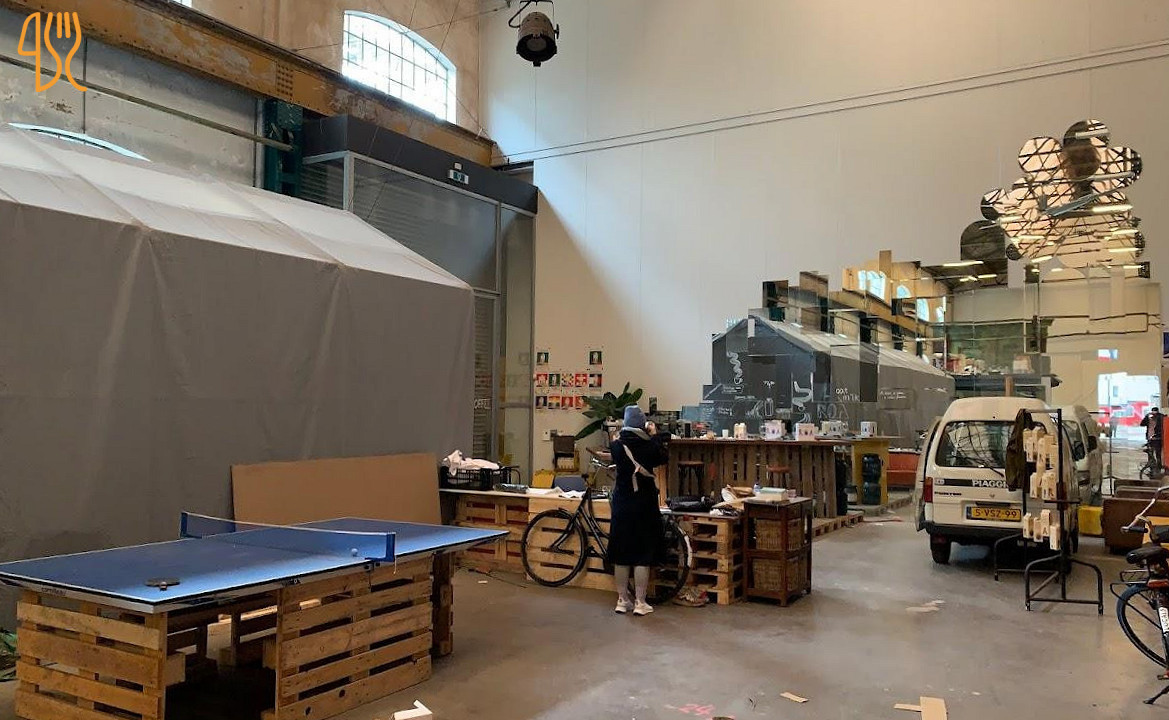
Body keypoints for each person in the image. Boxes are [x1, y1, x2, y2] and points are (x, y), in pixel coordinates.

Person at [608, 405, 667, 616]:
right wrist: (655, 435)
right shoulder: (649, 445)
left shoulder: (616, 445)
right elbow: (662, 457)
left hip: (622, 503)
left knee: (622, 553)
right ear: (642, 424)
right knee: (643, 553)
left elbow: (616, 456)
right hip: (644, 503)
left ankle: (622, 600)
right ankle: (641, 602)